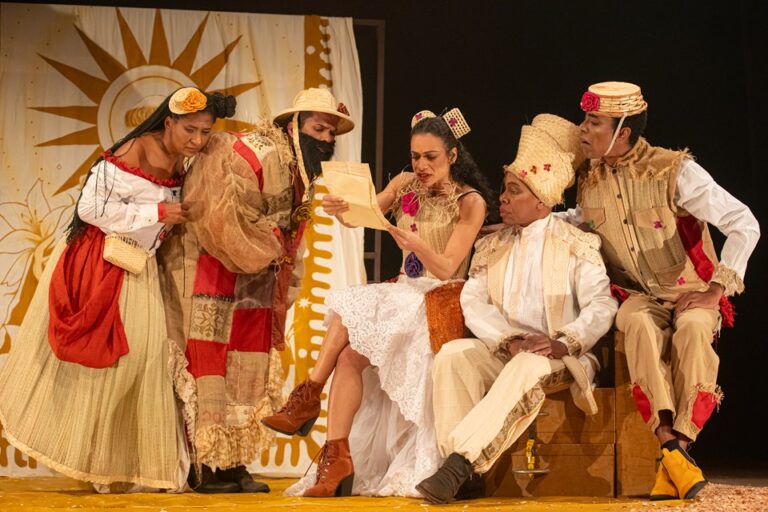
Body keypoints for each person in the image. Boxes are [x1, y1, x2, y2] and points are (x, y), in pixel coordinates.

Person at [0, 87, 234, 491]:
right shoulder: (132, 151)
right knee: (115, 364)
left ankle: (121, 467)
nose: (197, 140)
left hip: (139, 265)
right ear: (168, 123)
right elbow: (90, 210)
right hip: (103, 261)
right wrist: (157, 211)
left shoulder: (184, 159)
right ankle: (97, 467)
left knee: (144, 364)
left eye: (205, 132)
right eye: (190, 130)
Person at [261, 109, 496, 497]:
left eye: (431, 157)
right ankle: (335, 457)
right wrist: (343, 210)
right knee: (348, 355)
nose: (421, 165)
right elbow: (363, 215)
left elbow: (447, 266)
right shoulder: (405, 184)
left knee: (351, 310)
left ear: (452, 156)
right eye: (415, 156)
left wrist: (417, 244)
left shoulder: (470, 202)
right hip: (403, 292)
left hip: (439, 300)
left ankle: (306, 400)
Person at [157, 87, 355, 493]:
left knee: (247, 371)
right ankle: (205, 465)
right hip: (213, 269)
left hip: (255, 280)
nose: (325, 139)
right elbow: (221, 216)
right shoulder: (254, 153)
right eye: (318, 129)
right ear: (293, 125)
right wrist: (271, 249)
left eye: (331, 133)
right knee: (209, 367)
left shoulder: (300, 169)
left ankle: (233, 462)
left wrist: (283, 271)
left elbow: (292, 232)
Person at [569, 82, 760, 500]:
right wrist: (522, 224)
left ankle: (675, 451)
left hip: (690, 290)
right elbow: (578, 221)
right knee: (636, 323)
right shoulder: (588, 177)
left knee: (693, 329)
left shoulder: (673, 171)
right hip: (637, 294)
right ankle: (673, 452)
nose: (582, 128)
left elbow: (744, 223)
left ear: (623, 132)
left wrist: (716, 289)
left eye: (593, 121)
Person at [415, 114, 618, 504]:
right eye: (504, 189)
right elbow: (473, 300)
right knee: (454, 355)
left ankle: (460, 465)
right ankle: (463, 474)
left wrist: (564, 342)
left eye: (513, 191)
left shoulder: (576, 244)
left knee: (529, 363)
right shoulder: (492, 245)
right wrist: (508, 340)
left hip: (561, 356)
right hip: (508, 350)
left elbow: (601, 303)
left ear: (541, 199)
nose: (502, 199)